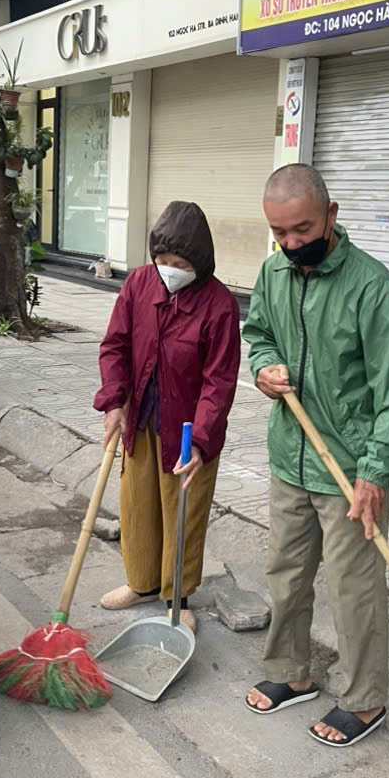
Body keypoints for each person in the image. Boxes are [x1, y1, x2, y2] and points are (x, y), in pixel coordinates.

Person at [242, 164, 389, 746]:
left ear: (331, 216)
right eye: (280, 233)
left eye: (302, 229)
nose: (292, 244)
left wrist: (376, 471)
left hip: (350, 466)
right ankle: (290, 672)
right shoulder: (273, 273)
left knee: (354, 587)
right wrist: (262, 369)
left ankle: (365, 699)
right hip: (289, 455)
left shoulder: (371, 285)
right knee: (286, 574)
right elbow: (259, 332)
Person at [94, 201, 241, 634]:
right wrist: (114, 402)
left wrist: (201, 439)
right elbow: (115, 346)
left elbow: (220, 381)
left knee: (183, 511)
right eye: (162, 261)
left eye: (180, 264)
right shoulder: (139, 284)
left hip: (189, 429)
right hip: (140, 416)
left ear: (199, 262)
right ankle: (140, 583)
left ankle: (178, 596)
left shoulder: (219, 305)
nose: (169, 270)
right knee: (137, 505)